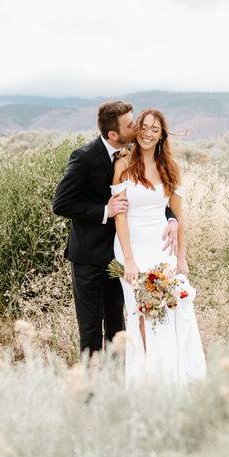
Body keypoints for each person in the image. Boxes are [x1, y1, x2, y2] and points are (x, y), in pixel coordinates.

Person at [52, 101, 179, 357]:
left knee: (117, 327)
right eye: (131, 124)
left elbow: (148, 196)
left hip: (119, 256)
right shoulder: (85, 157)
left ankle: (115, 386)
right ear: (113, 134)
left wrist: (171, 218)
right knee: (90, 329)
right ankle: (89, 393)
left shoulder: (132, 154)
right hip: (88, 258)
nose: (137, 127)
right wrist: (104, 211)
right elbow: (61, 203)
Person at [111, 108, 207, 387]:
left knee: (171, 308)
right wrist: (128, 259)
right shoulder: (124, 165)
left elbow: (178, 215)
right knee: (141, 310)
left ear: (162, 134)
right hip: (132, 246)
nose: (148, 133)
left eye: (155, 129)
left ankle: (171, 377)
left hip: (162, 245)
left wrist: (182, 257)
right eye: (144, 127)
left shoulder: (170, 168)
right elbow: (121, 215)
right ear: (137, 129)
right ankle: (147, 379)